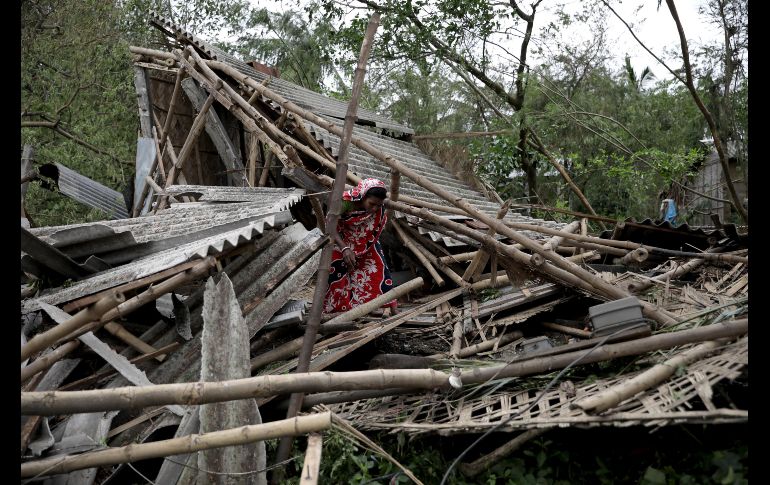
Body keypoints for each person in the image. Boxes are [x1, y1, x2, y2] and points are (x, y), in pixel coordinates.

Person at [323, 178, 397, 315]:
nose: (374, 209)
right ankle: (338, 309)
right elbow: (330, 226)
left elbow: (374, 227)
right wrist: (345, 248)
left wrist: (358, 248)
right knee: (336, 266)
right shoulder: (346, 203)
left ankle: (380, 305)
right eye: (372, 203)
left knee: (379, 267)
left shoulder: (378, 208)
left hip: (365, 242)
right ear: (363, 196)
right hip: (340, 240)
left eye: (378, 206)